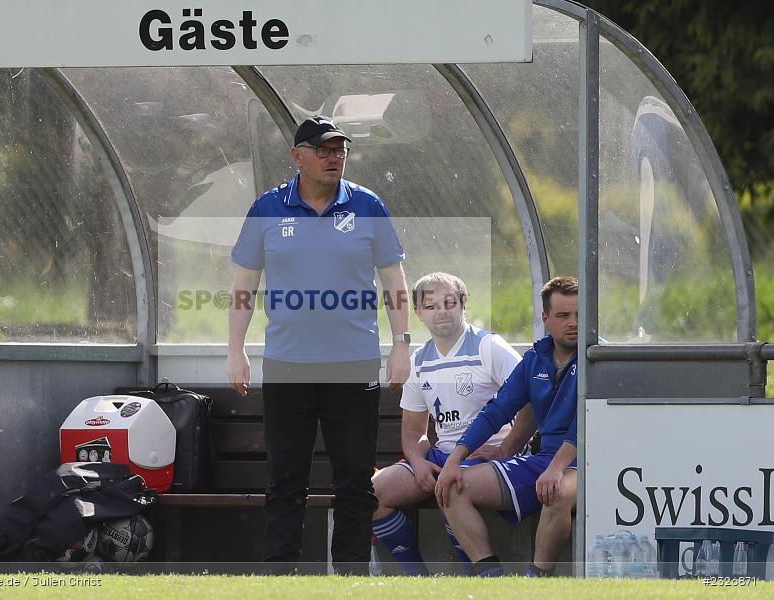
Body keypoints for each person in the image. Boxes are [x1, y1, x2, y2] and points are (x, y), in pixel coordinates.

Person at [227, 115, 411, 574]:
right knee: (285, 481)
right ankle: (281, 580)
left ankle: (348, 580)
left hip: (354, 365)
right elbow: (243, 285)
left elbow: (394, 280)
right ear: (297, 156)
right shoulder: (267, 209)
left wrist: (401, 344)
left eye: (341, 150)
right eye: (324, 150)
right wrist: (236, 348)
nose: (335, 158)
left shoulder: (368, 205)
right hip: (288, 365)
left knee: (354, 482)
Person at [371, 272, 535, 576]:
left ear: (463, 305)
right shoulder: (420, 361)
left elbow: (533, 398)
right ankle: (418, 581)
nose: (441, 311)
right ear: (418, 313)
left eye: (449, 302)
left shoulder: (489, 346)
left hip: (489, 458)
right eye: (431, 306)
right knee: (372, 492)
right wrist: (418, 462)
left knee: (451, 484)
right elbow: (413, 432)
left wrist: (507, 449)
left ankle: (482, 577)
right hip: (443, 457)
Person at [434, 276, 579, 577]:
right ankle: (492, 579)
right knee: (453, 486)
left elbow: (588, 424)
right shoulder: (534, 360)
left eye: (580, 314)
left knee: (560, 491)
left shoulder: (597, 357)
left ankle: (536, 579)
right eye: (564, 315)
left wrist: (556, 468)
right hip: (543, 461)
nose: (573, 323)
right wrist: (455, 459)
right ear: (546, 318)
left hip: (586, 464)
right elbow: (496, 411)